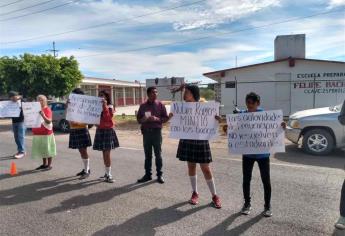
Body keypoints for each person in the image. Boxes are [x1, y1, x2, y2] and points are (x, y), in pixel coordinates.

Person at [172, 84, 222, 209]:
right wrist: (172, 117)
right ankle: (195, 193)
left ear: (193, 94)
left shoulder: (204, 107)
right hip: (188, 139)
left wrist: (217, 119)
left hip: (201, 140)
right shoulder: (182, 107)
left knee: (205, 168)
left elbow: (212, 120)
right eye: (185, 92)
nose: (185, 94)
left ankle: (215, 195)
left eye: (187, 92)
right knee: (191, 166)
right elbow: (176, 118)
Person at [238, 92, 286, 217]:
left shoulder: (265, 116)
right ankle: (247, 204)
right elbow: (233, 128)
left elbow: (275, 129)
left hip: (263, 155)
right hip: (248, 154)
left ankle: (267, 206)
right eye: (247, 102)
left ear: (258, 103)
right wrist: (221, 121)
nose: (249, 105)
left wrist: (282, 126)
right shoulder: (242, 115)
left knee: (266, 181)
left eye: (251, 103)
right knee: (246, 179)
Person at [136, 87, 169, 184]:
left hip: (156, 132)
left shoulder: (160, 105)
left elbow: (166, 118)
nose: (155, 94)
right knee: (148, 155)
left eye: (156, 92)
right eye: (153, 93)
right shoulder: (142, 106)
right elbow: (138, 120)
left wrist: (157, 119)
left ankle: (159, 175)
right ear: (148, 94)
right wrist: (144, 120)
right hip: (146, 133)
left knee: (158, 155)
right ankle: (147, 175)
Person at [93, 90, 119, 183]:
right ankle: (106, 173)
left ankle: (109, 175)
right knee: (104, 153)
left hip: (108, 131)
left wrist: (104, 106)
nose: (101, 97)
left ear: (107, 97)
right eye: (99, 95)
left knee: (107, 154)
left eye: (103, 96)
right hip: (100, 130)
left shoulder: (110, 107)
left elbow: (108, 118)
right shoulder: (96, 107)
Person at [67, 88, 93, 179]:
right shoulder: (72, 105)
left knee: (83, 151)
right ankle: (86, 169)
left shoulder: (85, 106)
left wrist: (79, 123)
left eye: (74, 95)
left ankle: (87, 171)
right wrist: (68, 105)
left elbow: (89, 119)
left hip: (81, 129)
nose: (72, 96)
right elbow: (68, 115)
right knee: (81, 151)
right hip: (74, 129)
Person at [32, 95, 56, 171]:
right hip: (38, 133)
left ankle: (49, 165)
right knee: (42, 149)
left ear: (45, 101)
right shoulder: (35, 109)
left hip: (46, 133)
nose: (39, 101)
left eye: (41, 100)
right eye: (38, 100)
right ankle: (44, 164)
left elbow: (49, 121)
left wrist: (43, 115)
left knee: (48, 150)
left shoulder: (47, 109)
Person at [8, 91, 26, 159]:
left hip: (22, 121)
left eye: (13, 97)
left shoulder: (21, 101)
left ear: (16, 96)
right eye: (10, 98)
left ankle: (22, 151)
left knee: (20, 137)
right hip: (14, 122)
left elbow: (26, 102)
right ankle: (20, 150)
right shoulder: (10, 103)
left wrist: (20, 97)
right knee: (16, 137)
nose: (12, 99)